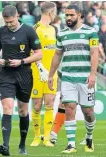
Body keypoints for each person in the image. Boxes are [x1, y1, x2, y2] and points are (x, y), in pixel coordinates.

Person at [0, 5, 42, 156]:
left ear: (17, 16)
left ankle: (22, 145)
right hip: (6, 74)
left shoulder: (29, 31)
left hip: (24, 74)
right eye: (6, 22)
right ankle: (5, 146)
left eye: (11, 21)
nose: (9, 24)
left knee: (22, 110)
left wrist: (22, 61)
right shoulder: (0, 32)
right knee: (7, 107)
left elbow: (39, 54)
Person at [48, 4, 99, 154]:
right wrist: (51, 75)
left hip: (85, 78)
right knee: (69, 108)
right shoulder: (62, 34)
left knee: (88, 112)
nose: (68, 18)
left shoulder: (91, 32)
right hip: (68, 78)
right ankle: (71, 144)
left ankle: (89, 137)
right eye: (66, 15)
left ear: (79, 15)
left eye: (71, 15)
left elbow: (94, 54)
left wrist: (93, 74)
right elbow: (57, 55)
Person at [30, 2, 57, 147]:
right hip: (37, 73)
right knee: (37, 105)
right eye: (55, 12)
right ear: (51, 12)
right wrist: (40, 67)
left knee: (49, 104)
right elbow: (31, 51)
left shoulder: (54, 29)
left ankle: (46, 138)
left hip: (52, 74)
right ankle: (36, 136)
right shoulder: (35, 29)